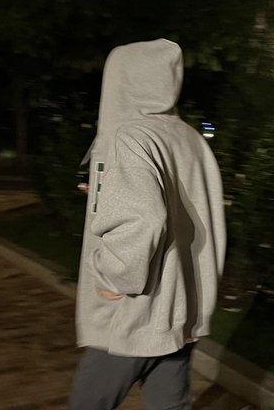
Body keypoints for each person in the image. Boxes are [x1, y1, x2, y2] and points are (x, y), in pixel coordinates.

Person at [68, 38, 226, 410]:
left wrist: (113, 277)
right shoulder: (189, 138)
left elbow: (145, 219)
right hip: (179, 306)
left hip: (134, 311)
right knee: (169, 404)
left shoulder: (132, 136)